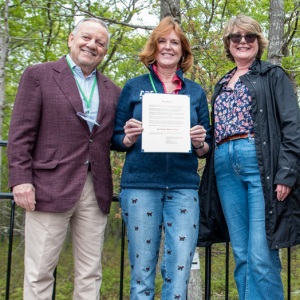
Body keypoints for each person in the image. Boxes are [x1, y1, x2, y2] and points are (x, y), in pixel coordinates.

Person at [7, 18, 121, 299]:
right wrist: (21, 181)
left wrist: (130, 136)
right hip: (48, 186)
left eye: (100, 43)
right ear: (71, 38)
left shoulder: (112, 90)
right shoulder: (39, 75)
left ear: (104, 51)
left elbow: (113, 138)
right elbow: (20, 133)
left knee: (90, 272)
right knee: (39, 273)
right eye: (86, 38)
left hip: (95, 190)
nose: (91, 45)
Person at [199, 15, 300, 299]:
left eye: (249, 36)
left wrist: (287, 172)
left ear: (259, 42)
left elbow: (292, 126)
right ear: (228, 44)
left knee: (260, 253)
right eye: (236, 37)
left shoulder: (273, 75)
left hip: (259, 163)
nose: (242, 41)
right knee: (241, 254)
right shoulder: (221, 83)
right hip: (223, 164)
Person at [111, 16, 210, 299]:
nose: (168, 47)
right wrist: (128, 137)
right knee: (142, 272)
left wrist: (200, 142)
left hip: (183, 187)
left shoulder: (195, 92)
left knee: (179, 272)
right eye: (162, 41)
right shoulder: (134, 86)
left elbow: (207, 148)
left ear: (183, 51)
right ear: (154, 48)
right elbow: (116, 138)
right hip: (141, 185)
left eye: (174, 42)